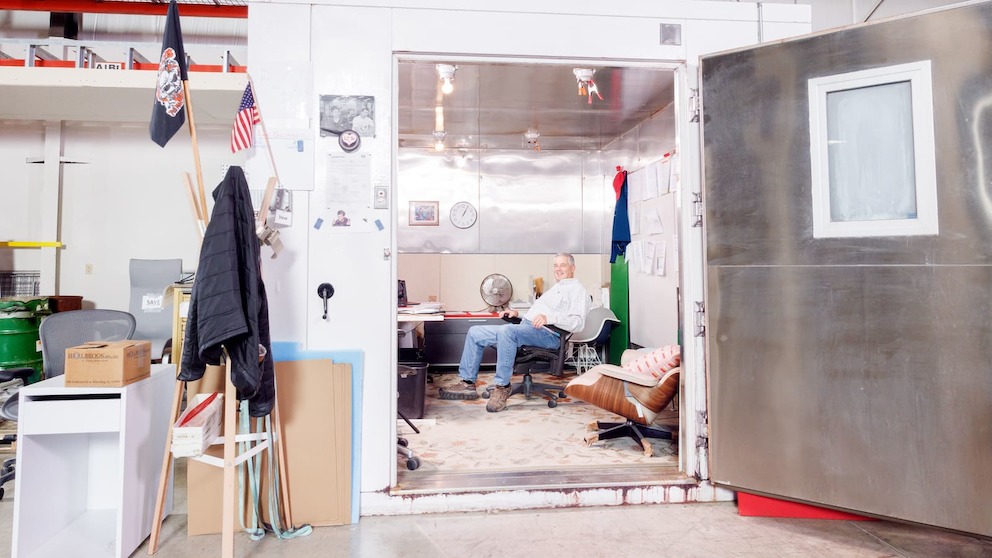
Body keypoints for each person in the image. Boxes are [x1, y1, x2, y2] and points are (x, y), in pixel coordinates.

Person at [439, 253, 591, 412]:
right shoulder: (557, 288)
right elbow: (536, 315)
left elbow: (578, 323)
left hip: (549, 335)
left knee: (507, 331)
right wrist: (517, 314)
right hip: (529, 329)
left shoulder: (578, 291)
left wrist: (549, 318)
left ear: (573, 268)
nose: (558, 269)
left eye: (563, 265)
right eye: (555, 265)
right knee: (475, 332)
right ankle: (467, 383)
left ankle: (502, 386)